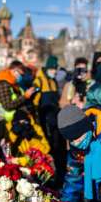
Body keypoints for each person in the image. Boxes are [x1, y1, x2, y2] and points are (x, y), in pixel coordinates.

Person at [33, 55, 65, 188]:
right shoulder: (39, 81)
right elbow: (35, 103)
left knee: (58, 151)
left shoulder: (53, 81)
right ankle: (50, 181)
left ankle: (59, 179)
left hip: (55, 121)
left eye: (56, 69)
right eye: (53, 68)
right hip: (45, 122)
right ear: (48, 68)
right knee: (49, 151)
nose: (55, 71)